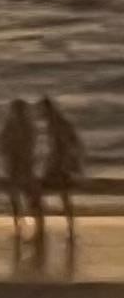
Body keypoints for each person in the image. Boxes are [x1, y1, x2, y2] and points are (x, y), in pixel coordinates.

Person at [40, 96, 85, 244]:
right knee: (63, 196)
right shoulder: (57, 123)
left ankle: (66, 228)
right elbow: (73, 142)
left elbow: (66, 144)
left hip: (59, 165)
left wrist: (65, 163)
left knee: (55, 194)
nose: (41, 114)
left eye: (42, 110)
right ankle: (69, 229)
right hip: (58, 163)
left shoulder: (57, 124)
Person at [0, 96, 39, 246]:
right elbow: (3, 143)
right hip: (21, 166)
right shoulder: (23, 126)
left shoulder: (21, 127)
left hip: (21, 166)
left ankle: (23, 227)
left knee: (21, 197)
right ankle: (22, 227)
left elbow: (3, 144)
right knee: (21, 197)